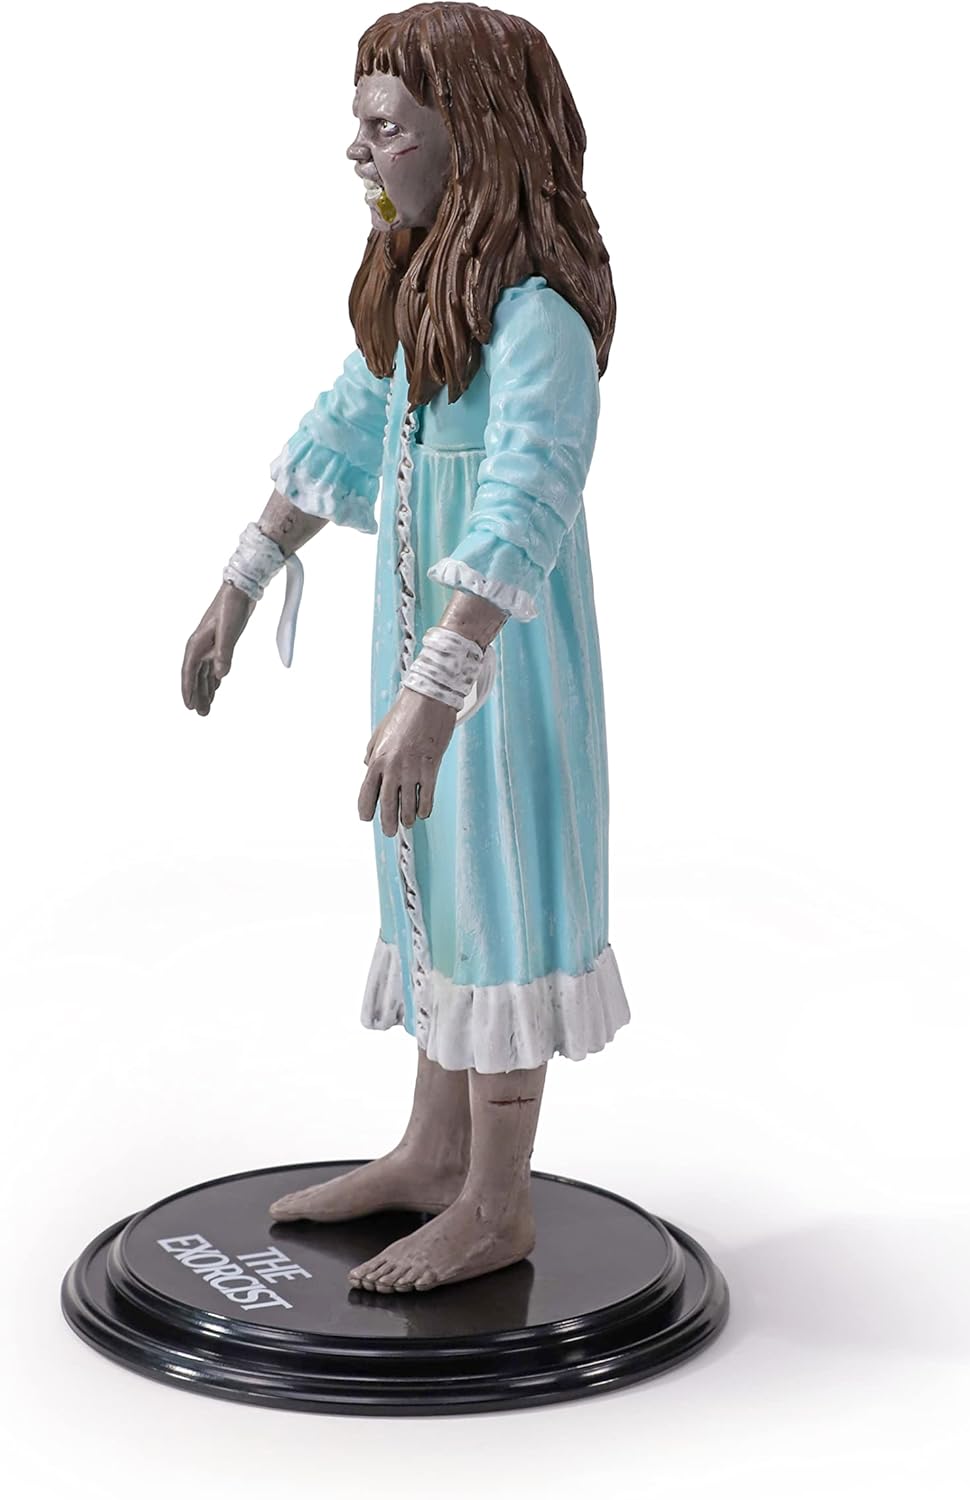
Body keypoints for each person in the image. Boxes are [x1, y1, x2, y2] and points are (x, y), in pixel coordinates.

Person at [181, 1, 629, 1294]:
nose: (358, 151)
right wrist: (245, 572)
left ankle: (497, 1201)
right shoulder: (427, 303)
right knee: (427, 880)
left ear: (473, 138)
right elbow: (341, 424)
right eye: (361, 125)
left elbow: (526, 498)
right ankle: (434, 1156)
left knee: (500, 888)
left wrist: (442, 684)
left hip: (505, 673)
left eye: (385, 127)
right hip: (421, 667)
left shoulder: (536, 321)